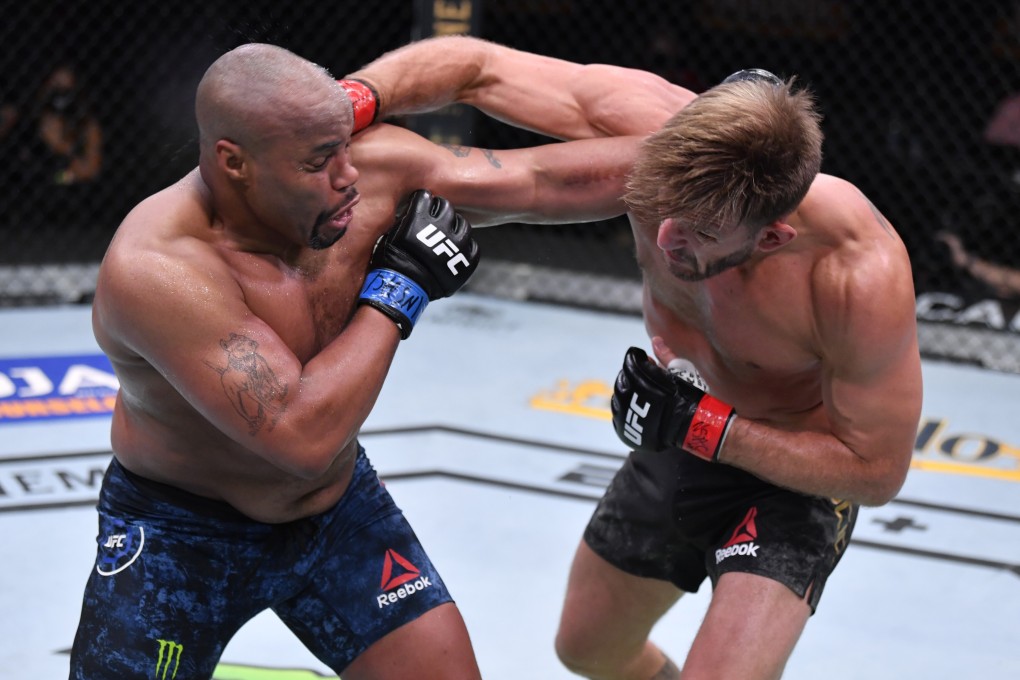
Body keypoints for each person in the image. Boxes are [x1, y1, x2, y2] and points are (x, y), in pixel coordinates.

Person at [351, 36, 923, 679]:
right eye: (664, 204)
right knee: (588, 648)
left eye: (703, 232)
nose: (667, 236)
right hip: (683, 428)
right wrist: (351, 99)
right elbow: (475, 66)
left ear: (772, 236)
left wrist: (704, 427)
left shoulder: (854, 272)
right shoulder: (657, 124)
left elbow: (876, 473)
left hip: (797, 477)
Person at [70, 42, 643, 679]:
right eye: (319, 161)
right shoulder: (159, 271)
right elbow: (302, 434)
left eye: (345, 147)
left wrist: (731, 149)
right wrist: (400, 288)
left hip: (333, 511)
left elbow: (543, 182)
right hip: (179, 536)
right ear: (235, 163)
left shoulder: (361, 173)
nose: (348, 175)